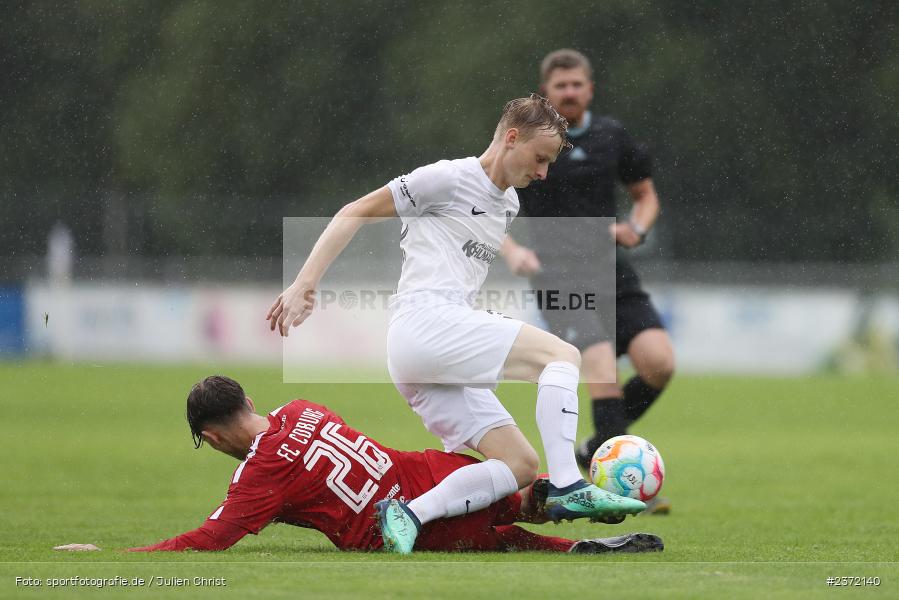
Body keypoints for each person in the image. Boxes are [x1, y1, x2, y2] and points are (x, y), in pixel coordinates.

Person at [266, 94, 646, 554]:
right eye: (540, 159)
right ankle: (567, 483)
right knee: (562, 356)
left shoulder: (508, 204)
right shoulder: (446, 178)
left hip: (423, 357)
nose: (543, 173)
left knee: (520, 465)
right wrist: (304, 283)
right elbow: (355, 210)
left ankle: (407, 514)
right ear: (511, 138)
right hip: (426, 322)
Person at [62, 375, 659, 555]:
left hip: (393, 521)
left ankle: (578, 525)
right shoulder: (300, 408)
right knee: (514, 504)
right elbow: (300, 460)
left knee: (496, 531)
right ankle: (588, 526)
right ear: (249, 400)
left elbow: (212, 537)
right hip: (429, 470)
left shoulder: (259, 474)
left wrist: (115, 559)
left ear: (214, 436)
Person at [505, 50, 675, 513]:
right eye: (561, 86)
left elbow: (645, 196)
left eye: (577, 84)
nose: (570, 92)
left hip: (611, 267)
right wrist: (513, 249)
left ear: (590, 88)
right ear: (546, 93)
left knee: (659, 363)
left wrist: (637, 228)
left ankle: (599, 444)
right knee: (601, 366)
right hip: (557, 274)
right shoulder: (527, 141)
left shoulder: (610, 135)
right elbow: (487, 196)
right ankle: (620, 486)